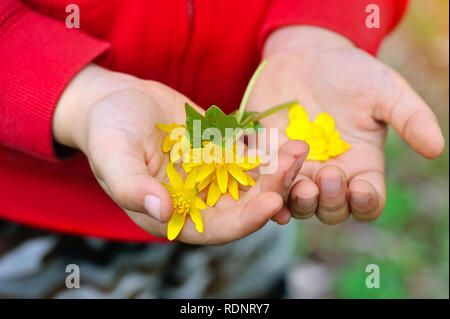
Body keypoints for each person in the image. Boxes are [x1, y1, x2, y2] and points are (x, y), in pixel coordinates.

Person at [0, 0, 444, 297]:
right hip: (28, 223)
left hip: (255, 185)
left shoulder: (269, 167)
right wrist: (77, 96)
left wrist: (317, 30)